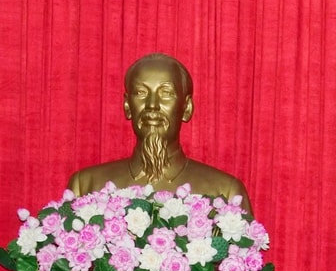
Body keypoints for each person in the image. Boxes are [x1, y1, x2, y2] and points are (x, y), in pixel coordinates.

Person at [68, 53, 250, 206]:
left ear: (186, 108)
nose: (152, 105)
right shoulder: (86, 186)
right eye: (141, 93)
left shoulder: (225, 193)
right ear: (127, 105)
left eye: (166, 94)